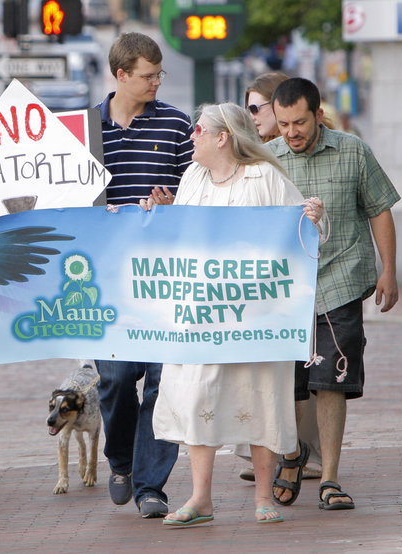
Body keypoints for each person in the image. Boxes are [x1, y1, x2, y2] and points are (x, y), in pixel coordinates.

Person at [143, 102, 324, 525]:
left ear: (222, 136)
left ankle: (264, 497)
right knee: (197, 396)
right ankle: (200, 498)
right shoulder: (192, 177)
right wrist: (159, 218)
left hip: (258, 317)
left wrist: (313, 218)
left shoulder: (266, 177)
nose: (192, 137)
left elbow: (302, 232)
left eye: (199, 130)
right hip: (201, 317)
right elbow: (181, 241)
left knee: (259, 396)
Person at [268, 77, 399, 511]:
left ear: (318, 115)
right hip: (285, 289)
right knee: (289, 383)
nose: (291, 132)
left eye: (300, 122)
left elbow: (379, 209)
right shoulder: (268, 161)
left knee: (332, 382)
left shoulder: (353, 151)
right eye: (283, 123)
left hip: (341, 280)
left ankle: (329, 478)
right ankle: (292, 455)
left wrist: (389, 271)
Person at [92, 31, 193, 518]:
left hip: (163, 276)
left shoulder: (176, 124)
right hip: (104, 278)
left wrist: (175, 203)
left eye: (159, 74)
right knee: (114, 378)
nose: (156, 82)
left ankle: (152, 485)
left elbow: (198, 191)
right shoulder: (83, 130)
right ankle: (121, 460)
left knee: (161, 381)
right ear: (120, 75)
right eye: (148, 75)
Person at [240, 71, 324, 483]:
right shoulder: (259, 160)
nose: (253, 115)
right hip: (271, 287)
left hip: (317, 282)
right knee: (278, 375)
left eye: (258, 107)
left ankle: (304, 457)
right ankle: (274, 454)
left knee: (309, 377)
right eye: (249, 108)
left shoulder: (281, 164)